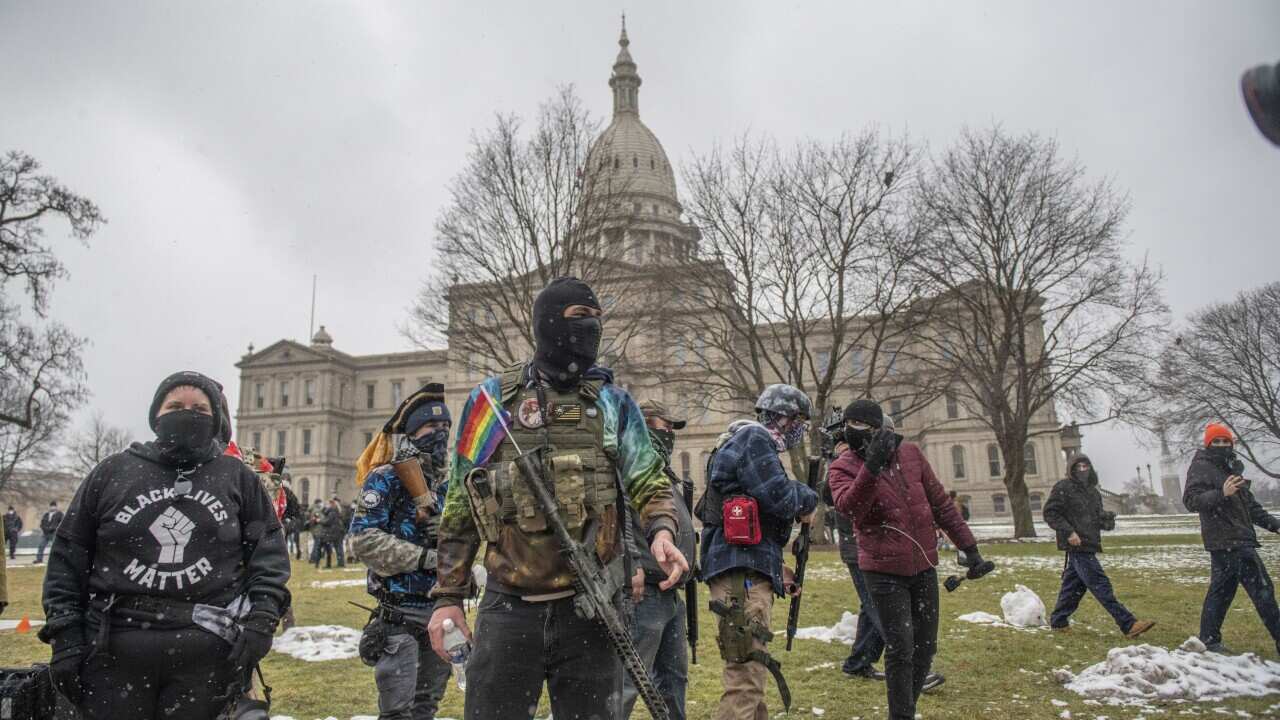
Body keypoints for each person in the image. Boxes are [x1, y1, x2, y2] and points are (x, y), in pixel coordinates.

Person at [427, 276, 688, 720]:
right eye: (579, 317)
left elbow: (649, 480)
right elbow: (459, 504)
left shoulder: (612, 403)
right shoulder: (491, 402)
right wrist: (448, 596)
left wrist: (662, 530)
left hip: (590, 611)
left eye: (597, 320)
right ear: (548, 323)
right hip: (508, 609)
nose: (591, 329)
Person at [38, 370, 291, 720]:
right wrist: (66, 636)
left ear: (215, 418)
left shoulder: (238, 478)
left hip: (207, 653)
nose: (187, 413)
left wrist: (262, 619)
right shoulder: (113, 472)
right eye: (175, 405)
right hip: (113, 649)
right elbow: (69, 557)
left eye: (200, 408)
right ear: (156, 414)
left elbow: (269, 557)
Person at [829, 399, 985, 720]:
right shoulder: (843, 466)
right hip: (883, 569)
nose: (856, 432)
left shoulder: (911, 454)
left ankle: (905, 709)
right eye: (851, 426)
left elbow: (940, 502)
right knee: (901, 648)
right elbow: (849, 509)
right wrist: (870, 468)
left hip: (923, 564)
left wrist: (969, 547)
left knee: (925, 647)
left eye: (865, 427)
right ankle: (901, 716)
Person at [699, 383, 818, 720]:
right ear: (782, 418)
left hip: (746, 570)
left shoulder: (746, 443)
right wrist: (808, 498)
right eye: (798, 422)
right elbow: (778, 497)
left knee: (753, 670)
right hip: (740, 577)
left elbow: (755, 521)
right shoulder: (755, 440)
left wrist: (777, 570)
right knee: (745, 676)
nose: (799, 431)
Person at [350, 386, 453, 720]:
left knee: (426, 708)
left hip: (442, 611)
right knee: (397, 711)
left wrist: (452, 540)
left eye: (445, 428)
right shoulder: (385, 479)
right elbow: (364, 540)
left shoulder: (450, 484)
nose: (440, 434)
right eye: (430, 428)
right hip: (399, 615)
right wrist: (423, 558)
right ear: (411, 433)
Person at [621, 398, 696, 719]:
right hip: (643, 593)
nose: (670, 436)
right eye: (666, 428)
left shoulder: (662, 472)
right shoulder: (628, 466)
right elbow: (617, 520)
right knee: (627, 682)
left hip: (670, 593)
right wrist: (630, 564)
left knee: (672, 678)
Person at [1184, 423, 1280, 655]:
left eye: (1226, 442)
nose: (1221, 445)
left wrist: (1276, 526)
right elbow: (1191, 500)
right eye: (1216, 442)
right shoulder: (1201, 467)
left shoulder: (1230, 469)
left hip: (1237, 539)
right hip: (1228, 540)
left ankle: (1209, 640)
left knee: (1221, 592)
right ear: (1208, 444)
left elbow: (1251, 507)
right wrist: (1221, 494)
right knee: (1263, 592)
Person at [1043, 455, 1155, 638]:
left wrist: (1106, 520)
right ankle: (1128, 624)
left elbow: (1095, 517)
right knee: (1100, 584)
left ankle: (1058, 621)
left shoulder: (1093, 492)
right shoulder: (1063, 488)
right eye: (1078, 466)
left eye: (1085, 466)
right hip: (1077, 545)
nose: (1082, 469)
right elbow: (1050, 513)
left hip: (1090, 542)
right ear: (1071, 469)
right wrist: (1069, 532)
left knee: (1073, 587)